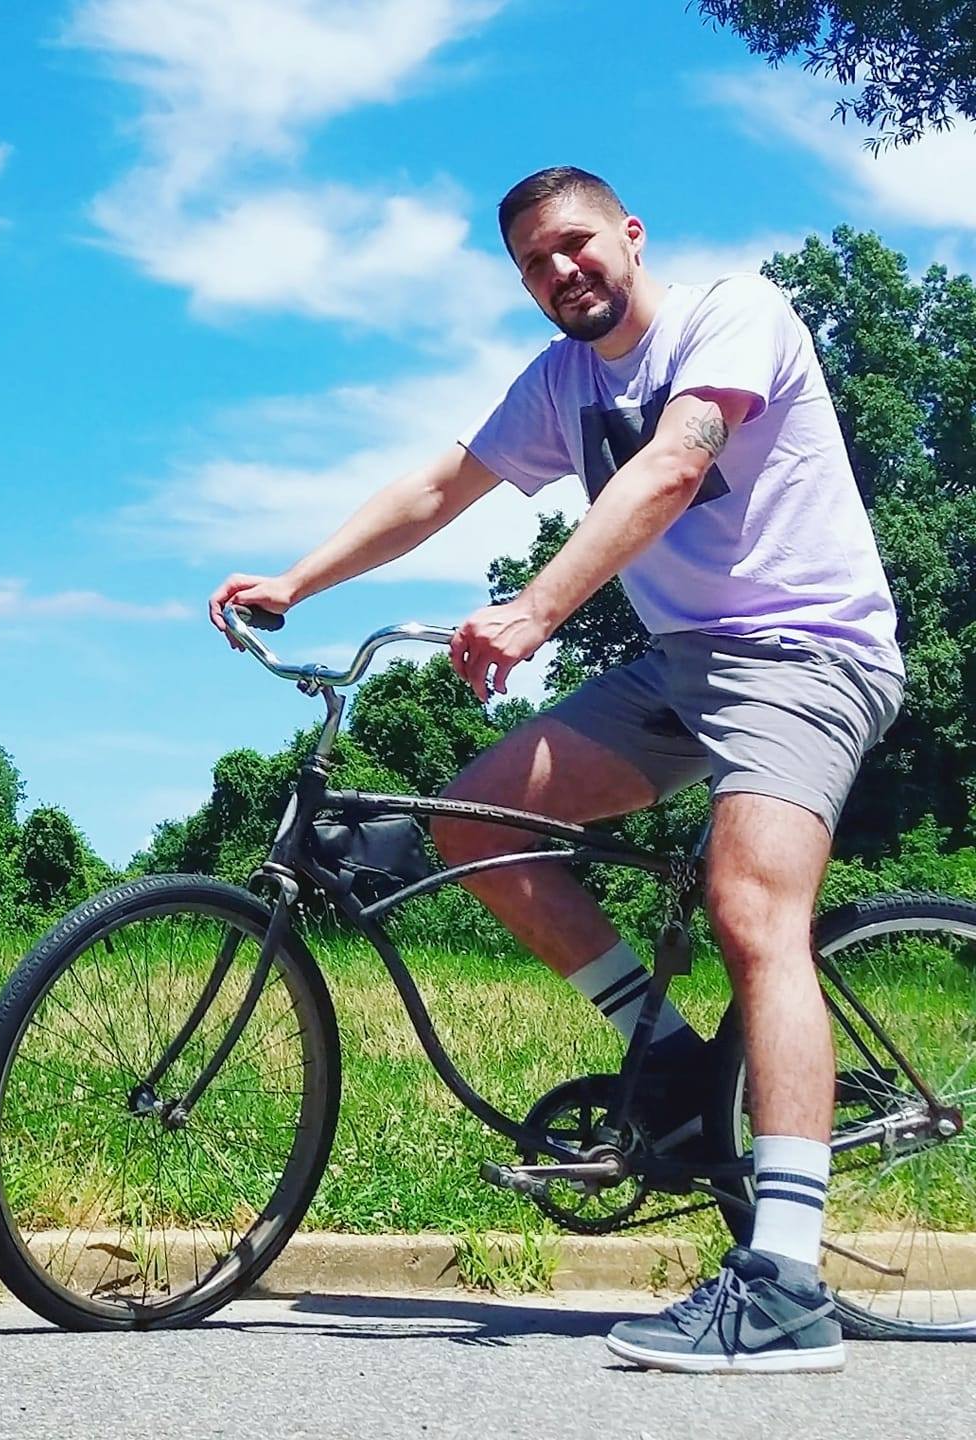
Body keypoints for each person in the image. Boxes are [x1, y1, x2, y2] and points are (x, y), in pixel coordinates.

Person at [207, 166, 905, 1375]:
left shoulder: (735, 315)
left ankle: (786, 1285)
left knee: (753, 910)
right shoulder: (561, 381)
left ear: (630, 234)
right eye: (533, 262)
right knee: (474, 821)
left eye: (575, 243)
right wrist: (297, 582)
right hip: (680, 666)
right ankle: (674, 1067)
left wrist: (536, 609)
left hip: (808, 652)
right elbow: (441, 486)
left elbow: (675, 464)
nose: (559, 270)